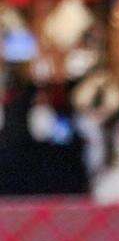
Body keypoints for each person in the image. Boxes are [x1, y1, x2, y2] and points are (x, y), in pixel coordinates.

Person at [0, 31, 87, 198]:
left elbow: (67, 139)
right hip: (13, 185)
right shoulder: (17, 97)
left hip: (58, 184)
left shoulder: (69, 95)